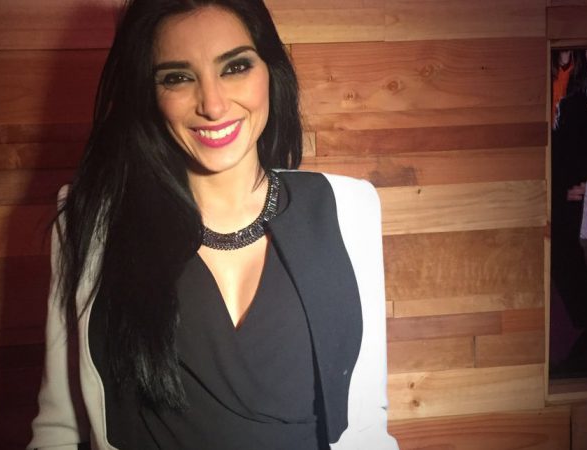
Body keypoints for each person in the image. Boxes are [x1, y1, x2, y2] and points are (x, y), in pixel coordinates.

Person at [28, 1, 398, 449]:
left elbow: (365, 426)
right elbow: (59, 430)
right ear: (149, 93)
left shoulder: (348, 209)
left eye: (235, 67)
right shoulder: (91, 224)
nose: (213, 104)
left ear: (270, 70)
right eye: (177, 77)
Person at [552, 48, 587, 375]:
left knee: (565, 251)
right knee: (562, 251)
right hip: (560, 187)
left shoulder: (581, 98)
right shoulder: (569, 96)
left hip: (573, 187)